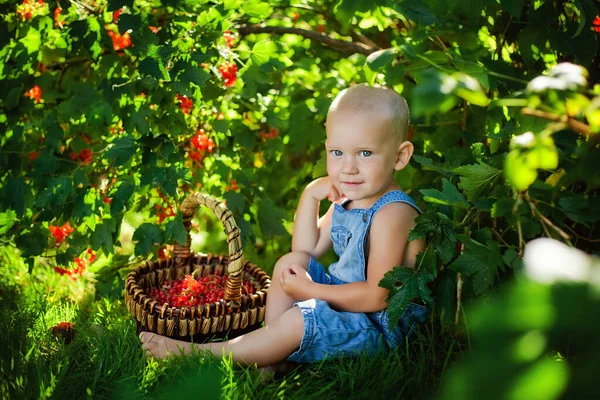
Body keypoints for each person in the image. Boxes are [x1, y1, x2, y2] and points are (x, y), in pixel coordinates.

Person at [140, 84, 428, 371]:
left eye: (365, 153)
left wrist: (312, 289)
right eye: (337, 152)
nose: (348, 168)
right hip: (350, 309)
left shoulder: (393, 213)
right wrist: (311, 194)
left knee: (300, 318)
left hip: (380, 328)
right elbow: (306, 250)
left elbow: (378, 296)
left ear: (400, 156)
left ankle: (199, 353)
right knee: (290, 264)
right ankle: (274, 355)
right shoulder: (353, 199)